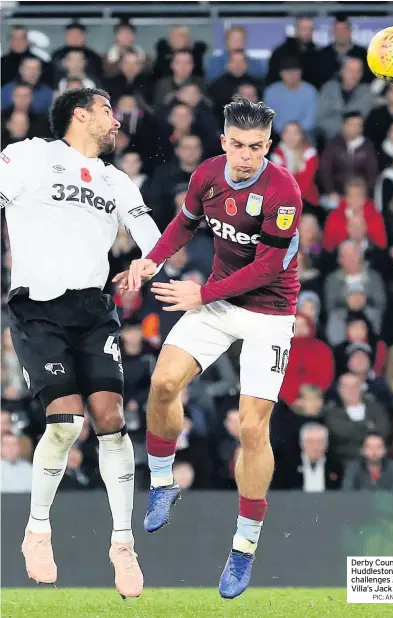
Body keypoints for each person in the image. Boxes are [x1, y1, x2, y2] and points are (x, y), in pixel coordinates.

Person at [113, 96, 302, 598]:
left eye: (256, 147)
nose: (246, 156)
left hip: (269, 313)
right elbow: (184, 223)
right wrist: (152, 259)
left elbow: (268, 268)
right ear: (223, 142)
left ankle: (243, 546)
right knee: (162, 383)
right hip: (217, 302)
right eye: (238, 145)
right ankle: (161, 481)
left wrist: (200, 293)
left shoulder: (283, 189)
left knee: (252, 427)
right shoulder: (208, 174)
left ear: (268, 145)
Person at [0, 87, 163, 598]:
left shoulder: (117, 180)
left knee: (112, 420)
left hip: (94, 310)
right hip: (38, 308)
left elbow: (153, 235)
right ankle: (37, 530)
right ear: (81, 114)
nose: (116, 121)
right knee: (68, 422)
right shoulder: (30, 155)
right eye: (108, 111)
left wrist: (146, 261)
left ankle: (122, 543)